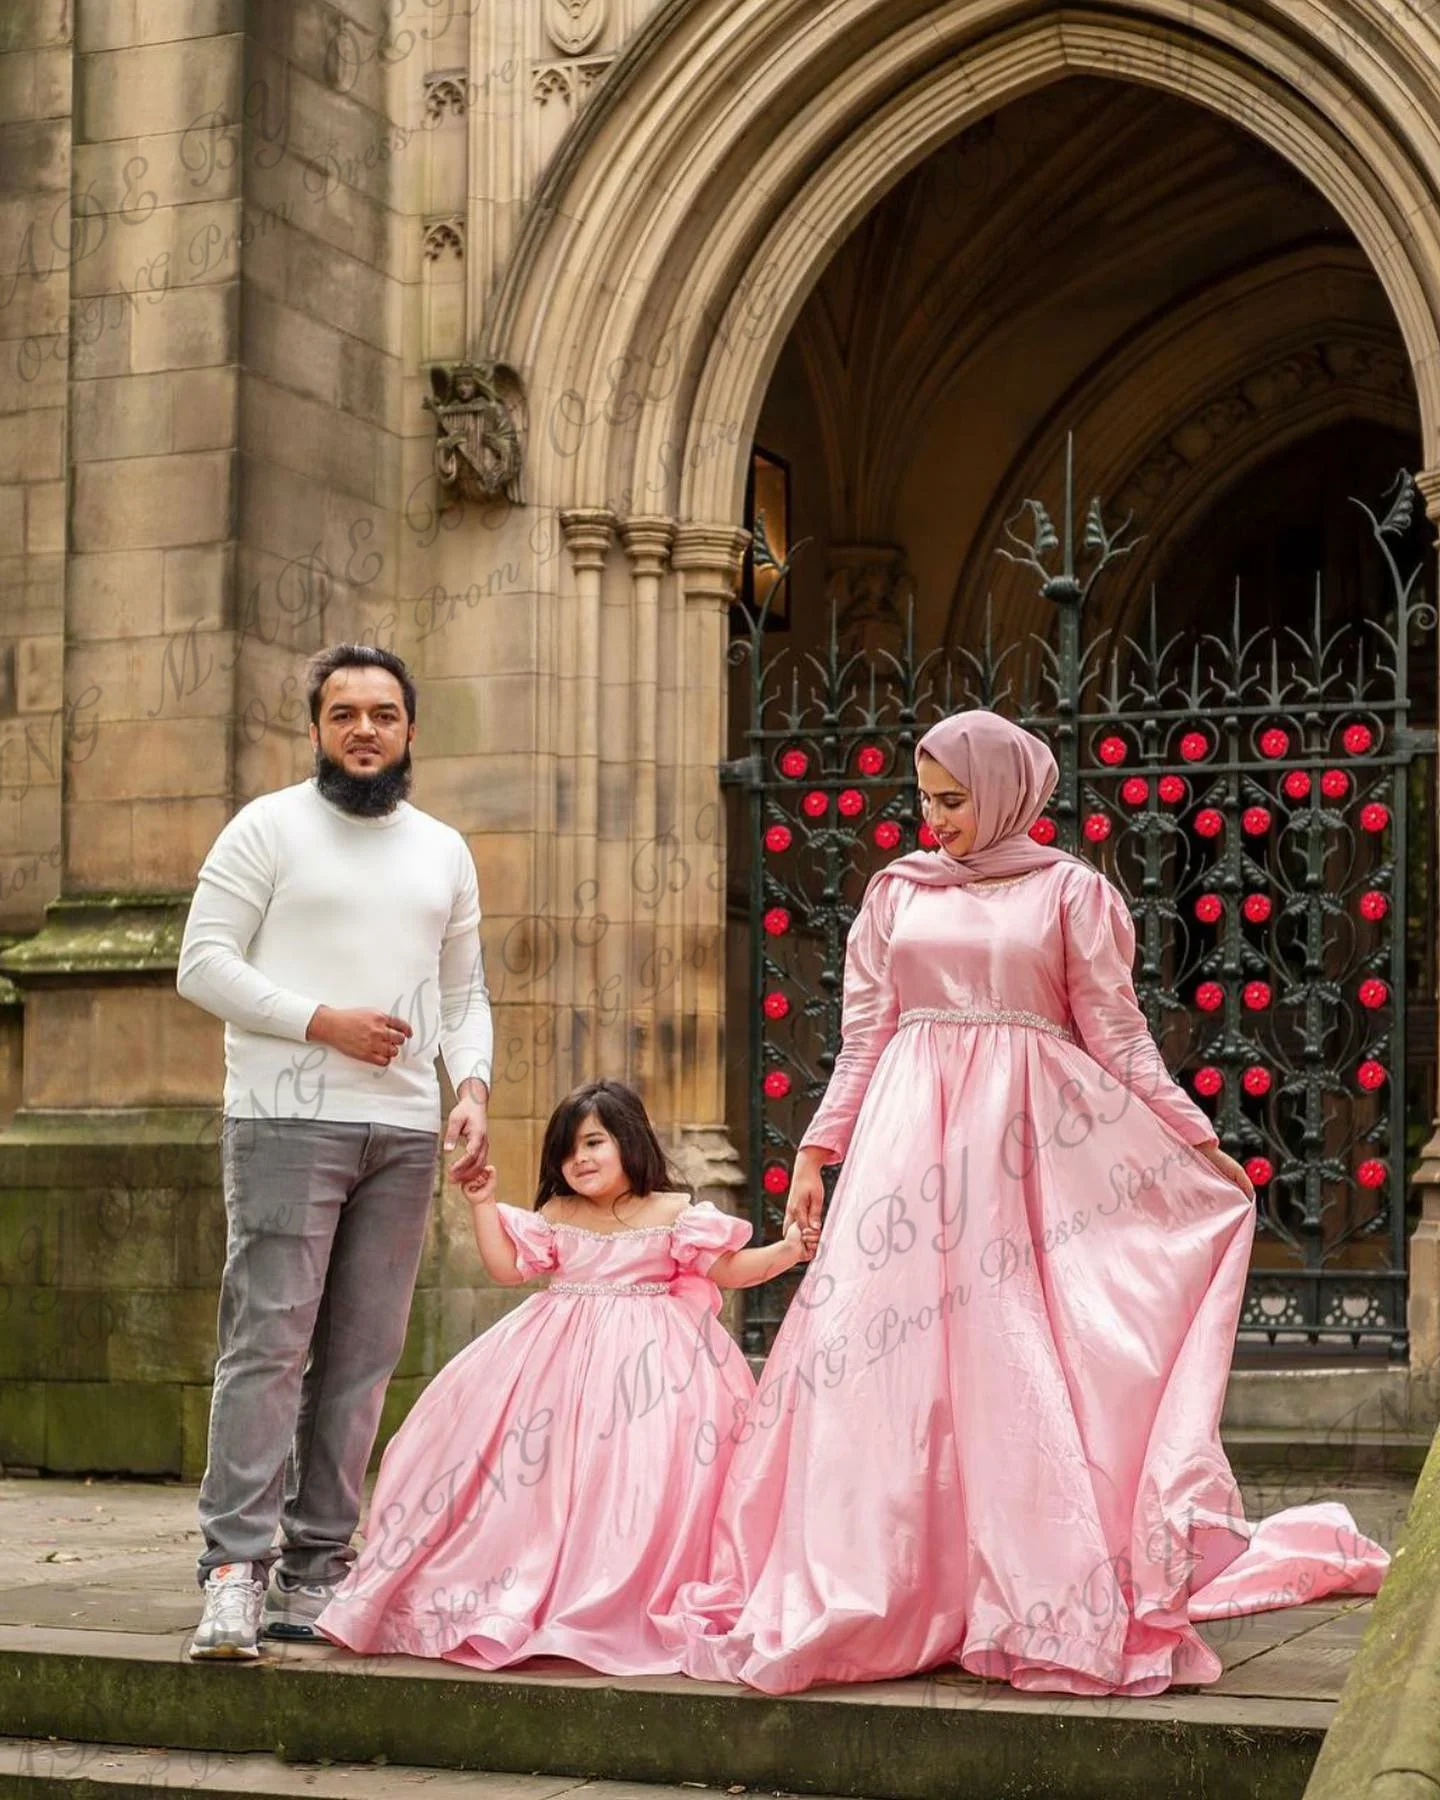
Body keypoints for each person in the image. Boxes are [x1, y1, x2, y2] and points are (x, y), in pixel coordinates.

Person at [670, 709, 1389, 1696]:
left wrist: (1197, 1138)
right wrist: (817, 1147)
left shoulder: (1073, 895)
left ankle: (1034, 1591)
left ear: (1006, 790)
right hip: (904, 1148)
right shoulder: (895, 893)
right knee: (886, 1361)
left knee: (1016, 1358)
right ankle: (880, 1581)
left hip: (1027, 1152)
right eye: (924, 798)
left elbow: (1120, 1037)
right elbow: (865, 1033)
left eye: (953, 799)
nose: (935, 819)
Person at [176, 644, 494, 1659]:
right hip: (282, 1119)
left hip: (402, 1135)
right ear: (316, 727)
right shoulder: (266, 828)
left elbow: (461, 994)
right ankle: (234, 1571)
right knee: (267, 1345)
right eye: (345, 713)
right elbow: (203, 966)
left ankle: (318, 1570)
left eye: (385, 714)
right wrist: (323, 1023)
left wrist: (472, 1088)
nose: (365, 729)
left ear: (411, 730)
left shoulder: (443, 848)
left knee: (361, 1360)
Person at [316, 1079, 808, 1674]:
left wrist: (787, 1252)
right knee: (539, 1474)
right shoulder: (558, 1213)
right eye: (568, 1151)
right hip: (556, 1362)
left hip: (655, 1369)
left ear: (630, 1141)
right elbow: (506, 1269)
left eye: (595, 1143)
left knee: (644, 1471)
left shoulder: (673, 1213)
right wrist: (482, 1204)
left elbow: (727, 1270)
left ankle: (620, 1585)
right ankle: (520, 1583)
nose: (581, 1159)